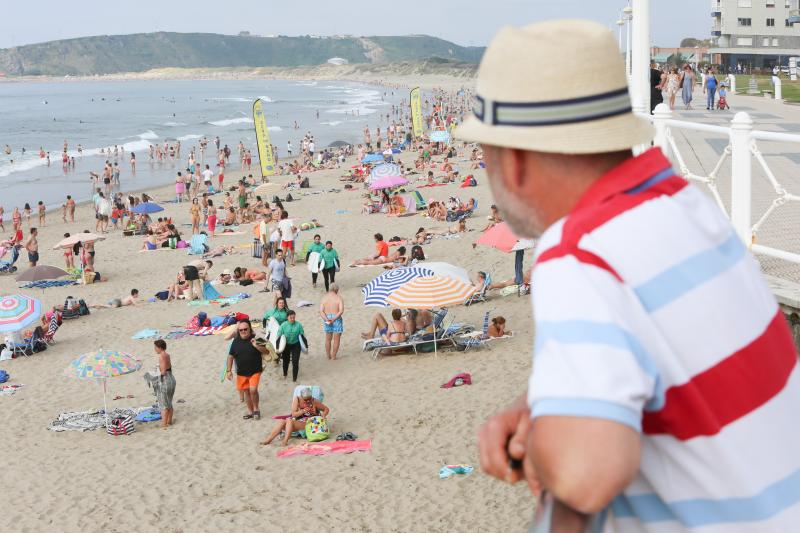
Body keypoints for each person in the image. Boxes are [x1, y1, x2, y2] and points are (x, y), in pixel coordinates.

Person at [458, 19, 800, 530]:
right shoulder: (683, 203)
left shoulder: (578, 252)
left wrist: (540, 438)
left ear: (514, 163)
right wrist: (538, 402)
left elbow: (587, 475)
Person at [225, 320, 267, 420]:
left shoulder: (256, 338)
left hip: (255, 371)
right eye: (241, 330)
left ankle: (256, 409)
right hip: (241, 373)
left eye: (245, 329)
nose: (243, 331)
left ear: (249, 329)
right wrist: (228, 370)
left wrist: (256, 346)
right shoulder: (235, 342)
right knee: (246, 392)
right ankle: (251, 412)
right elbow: (230, 356)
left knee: (253, 390)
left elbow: (267, 351)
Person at [261, 387, 329, 446]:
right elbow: (293, 414)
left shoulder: (314, 401)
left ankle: (285, 441)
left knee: (289, 420)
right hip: (297, 421)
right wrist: (303, 411)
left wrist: (322, 416)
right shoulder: (297, 399)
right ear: (301, 397)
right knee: (282, 421)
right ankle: (268, 440)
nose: (308, 401)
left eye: (309, 399)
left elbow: (326, 409)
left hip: (309, 423)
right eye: (305, 400)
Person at [277, 310, 305, 382]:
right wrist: (278, 348)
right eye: (291, 318)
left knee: (295, 361)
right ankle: (285, 374)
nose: (292, 319)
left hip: (296, 344)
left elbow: (302, 336)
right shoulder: (283, 325)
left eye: (294, 317)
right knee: (286, 361)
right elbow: (279, 336)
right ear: (287, 317)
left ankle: (294, 378)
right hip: (286, 345)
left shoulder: (298, 325)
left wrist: (305, 346)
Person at [153, 339, 175, 428]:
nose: (154, 349)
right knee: (169, 402)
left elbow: (163, 372)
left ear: (160, 347)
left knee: (163, 404)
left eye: (155, 347)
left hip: (165, 381)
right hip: (172, 380)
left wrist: (154, 374)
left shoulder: (161, 356)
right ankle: (169, 421)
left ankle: (164, 424)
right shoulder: (167, 355)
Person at [319, 283, 344, 360]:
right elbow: (341, 311)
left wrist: (326, 319)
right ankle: (333, 356)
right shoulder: (338, 298)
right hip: (336, 318)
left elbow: (321, 311)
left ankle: (328, 355)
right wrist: (334, 318)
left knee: (328, 339)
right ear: (336, 290)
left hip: (327, 318)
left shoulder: (324, 298)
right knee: (336, 339)